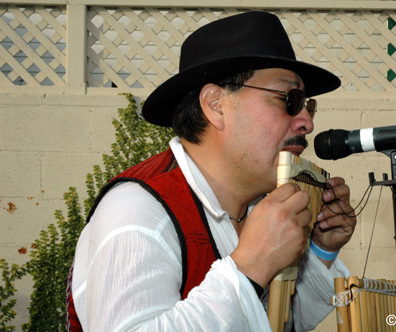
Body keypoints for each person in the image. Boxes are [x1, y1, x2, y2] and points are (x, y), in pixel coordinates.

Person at [67, 11, 357, 332]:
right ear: (215, 103)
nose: (307, 122)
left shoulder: (259, 208)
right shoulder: (138, 213)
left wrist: (320, 250)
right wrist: (250, 267)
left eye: (308, 106)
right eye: (290, 99)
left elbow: (273, 324)